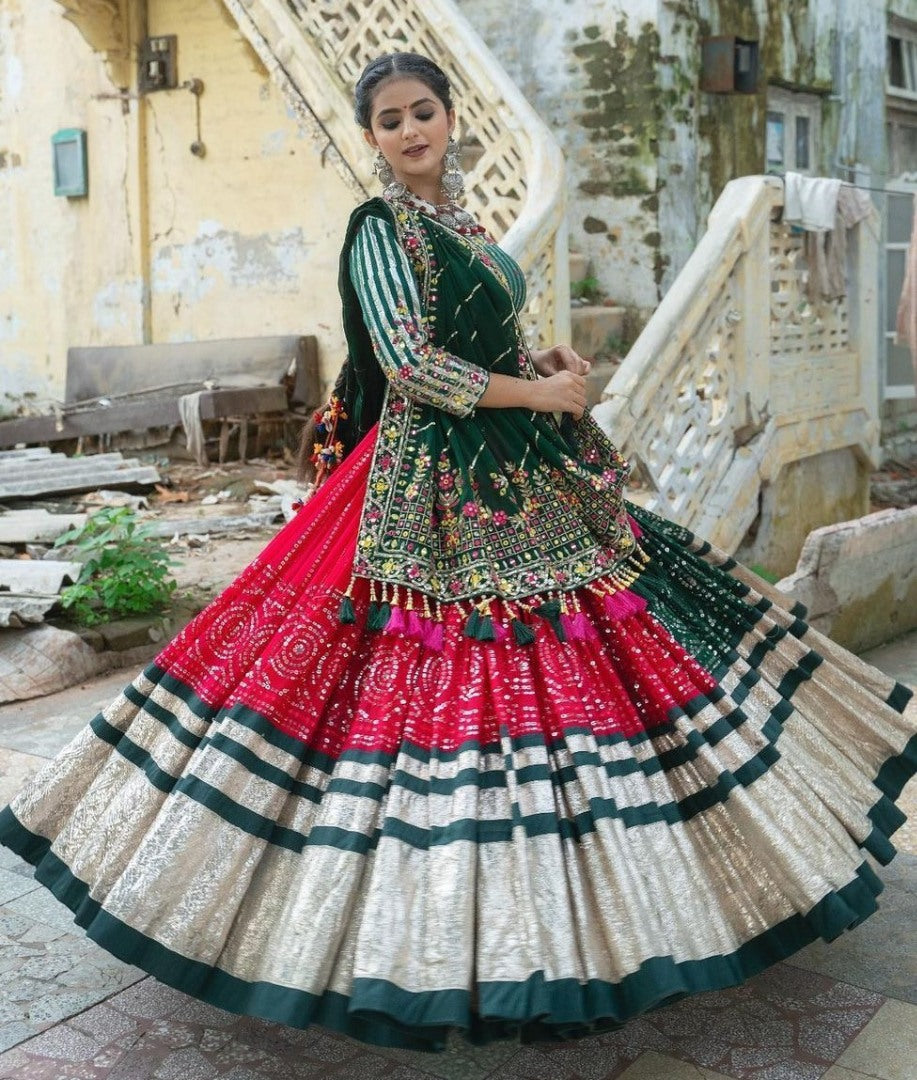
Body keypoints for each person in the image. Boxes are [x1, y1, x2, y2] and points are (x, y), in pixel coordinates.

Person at [1, 52, 914, 1053]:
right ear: (373, 138)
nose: (408, 131)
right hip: (420, 481)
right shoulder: (381, 231)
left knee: (594, 642)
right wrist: (538, 397)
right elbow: (410, 365)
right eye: (388, 119)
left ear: (448, 118)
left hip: (514, 465)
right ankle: (407, 930)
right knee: (409, 672)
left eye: (421, 111)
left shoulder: (465, 225)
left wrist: (548, 368)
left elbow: (486, 344)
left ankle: (595, 914)